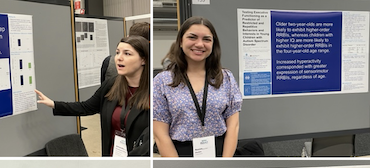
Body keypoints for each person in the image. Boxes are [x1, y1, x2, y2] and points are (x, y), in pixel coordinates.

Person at [35, 35, 150, 157]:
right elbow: (87, 107)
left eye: (127, 54)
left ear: (143, 60)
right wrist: (54, 104)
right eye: (117, 53)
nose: (119, 58)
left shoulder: (153, 92)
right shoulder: (111, 85)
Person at [153, 17, 242, 157]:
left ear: (213, 44)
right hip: (179, 152)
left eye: (207, 39)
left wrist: (225, 161)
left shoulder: (226, 78)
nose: (200, 44)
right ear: (181, 42)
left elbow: (233, 126)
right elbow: (160, 134)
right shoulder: (162, 81)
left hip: (220, 150)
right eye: (192, 37)